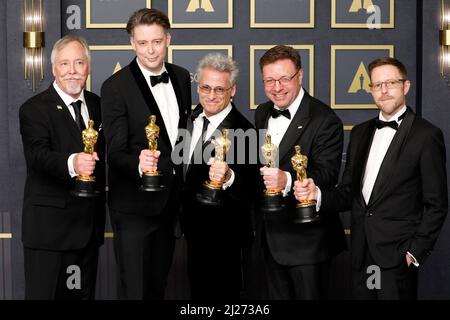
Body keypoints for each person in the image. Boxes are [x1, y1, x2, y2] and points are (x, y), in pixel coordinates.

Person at [293, 57, 448, 300]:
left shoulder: (427, 135)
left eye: (390, 83)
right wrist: (317, 195)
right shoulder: (360, 133)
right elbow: (348, 191)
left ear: (405, 86)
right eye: (377, 85)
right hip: (361, 253)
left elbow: (437, 203)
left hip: (398, 256)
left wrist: (414, 252)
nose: (384, 91)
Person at [100, 8, 191, 299]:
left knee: (157, 287)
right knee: (136, 291)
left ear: (168, 39)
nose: (150, 50)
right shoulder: (115, 87)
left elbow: (183, 139)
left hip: (170, 204)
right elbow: (114, 152)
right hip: (133, 208)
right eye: (142, 43)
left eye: (156, 41)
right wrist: (138, 164)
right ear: (132, 43)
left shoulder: (180, 77)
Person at [254, 45, 346, 300]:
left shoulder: (325, 119)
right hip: (270, 239)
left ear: (300, 76)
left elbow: (327, 175)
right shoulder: (262, 113)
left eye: (285, 78)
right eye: (270, 80)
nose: (277, 87)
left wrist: (288, 180)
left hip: (308, 244)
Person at [19, 35, 105, 299]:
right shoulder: (34, 109)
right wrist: (73, 162)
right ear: (54, 68)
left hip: (88, 230)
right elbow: (37, 155)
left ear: (88, 67)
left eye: (79, 63)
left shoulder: (98, 105)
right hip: (49, 233)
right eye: (65, 64)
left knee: (81, 296)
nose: (72, 71)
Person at [180, 53, 256, 300]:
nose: (211, 96)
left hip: (225, 243)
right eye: (205, 87)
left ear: (232, 90)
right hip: (191, 235)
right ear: (198, 86)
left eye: (219, 89)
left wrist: (230, 177)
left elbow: (253, 189)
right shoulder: (189, 120)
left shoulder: (245, 130)